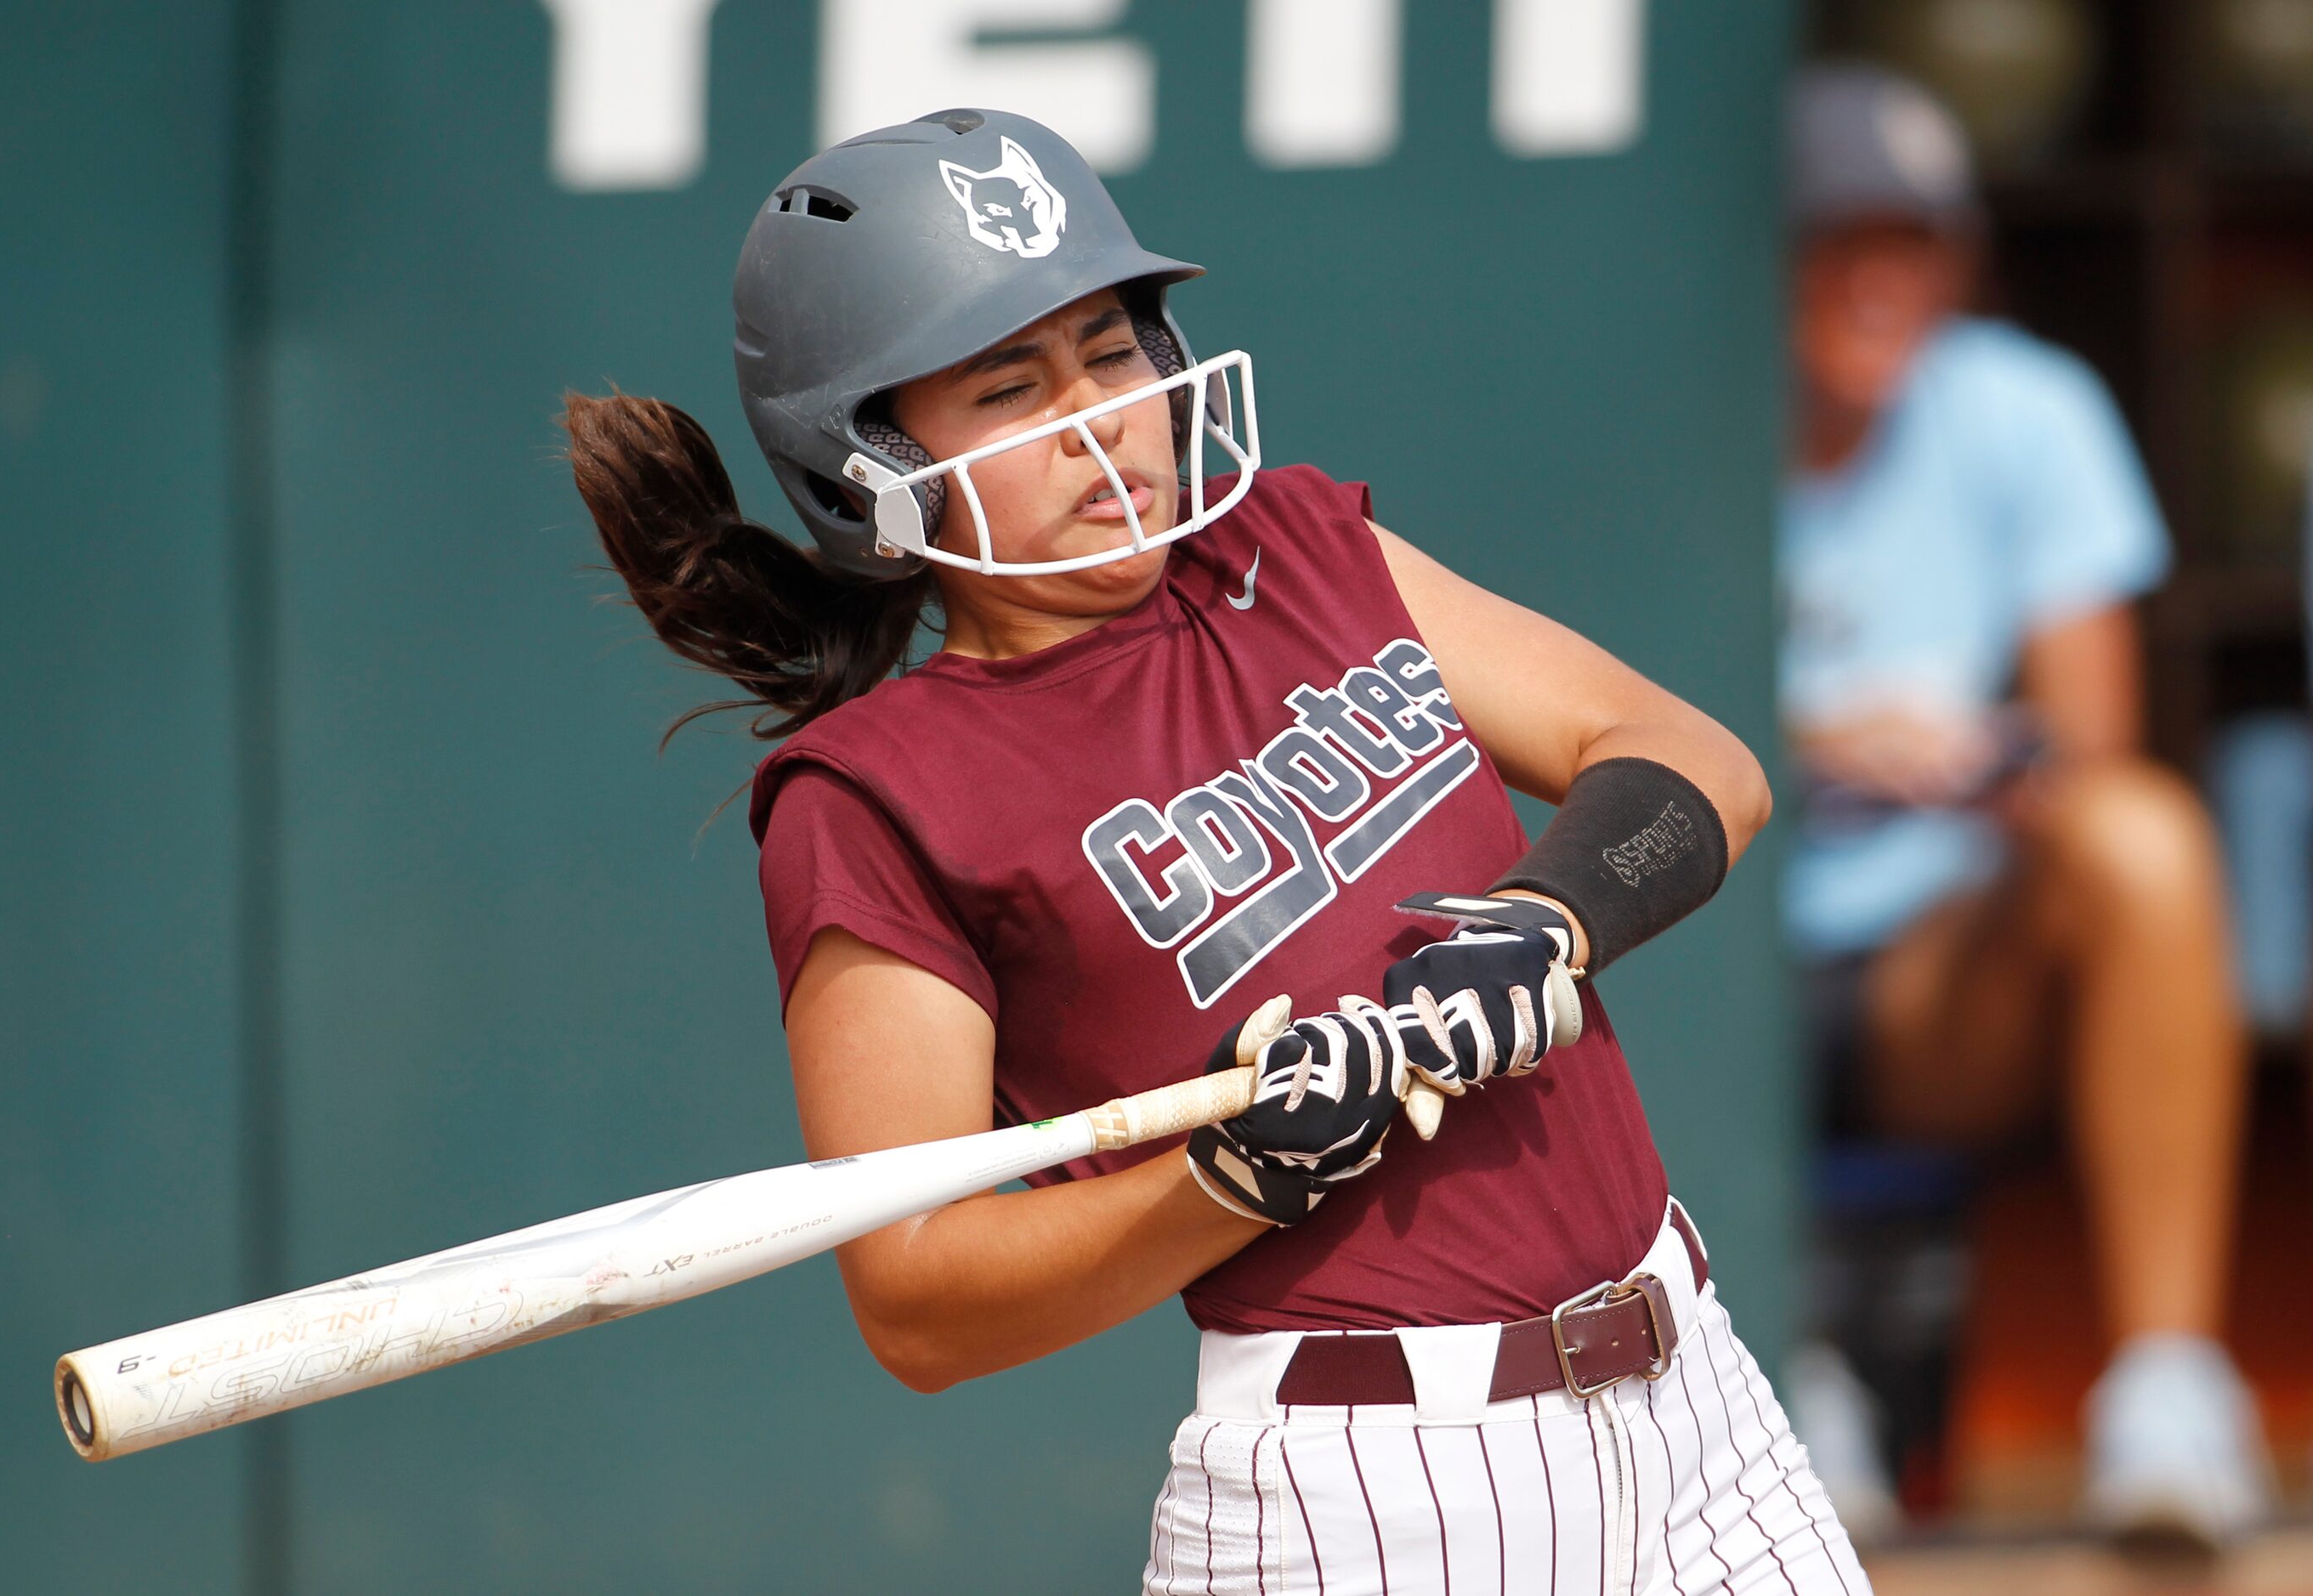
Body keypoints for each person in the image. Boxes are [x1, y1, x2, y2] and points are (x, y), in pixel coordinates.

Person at [565, 109, 1862, 1593]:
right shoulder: (873, 792)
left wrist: (1544, 919)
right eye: (1012, 383)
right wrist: (1230, 1175)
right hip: (1377, 1499)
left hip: (1701, 1404)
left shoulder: (1298, 549)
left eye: (1112, 353)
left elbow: (1699, 759)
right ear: (878, 467)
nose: (1100, 415)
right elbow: (916, 1296)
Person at [1782, 65, 2269, 1548]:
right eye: (1841, 238)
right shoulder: (1682, 411)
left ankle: (2167, 1394)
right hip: (1706, 963)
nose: (1882, 278)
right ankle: (1757, 1383)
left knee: (2147, 837)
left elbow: (2089, 754)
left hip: (1940, 969)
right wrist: (1806, 736)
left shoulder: (2026, 408)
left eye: (1915, 240)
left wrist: (1974, 753)